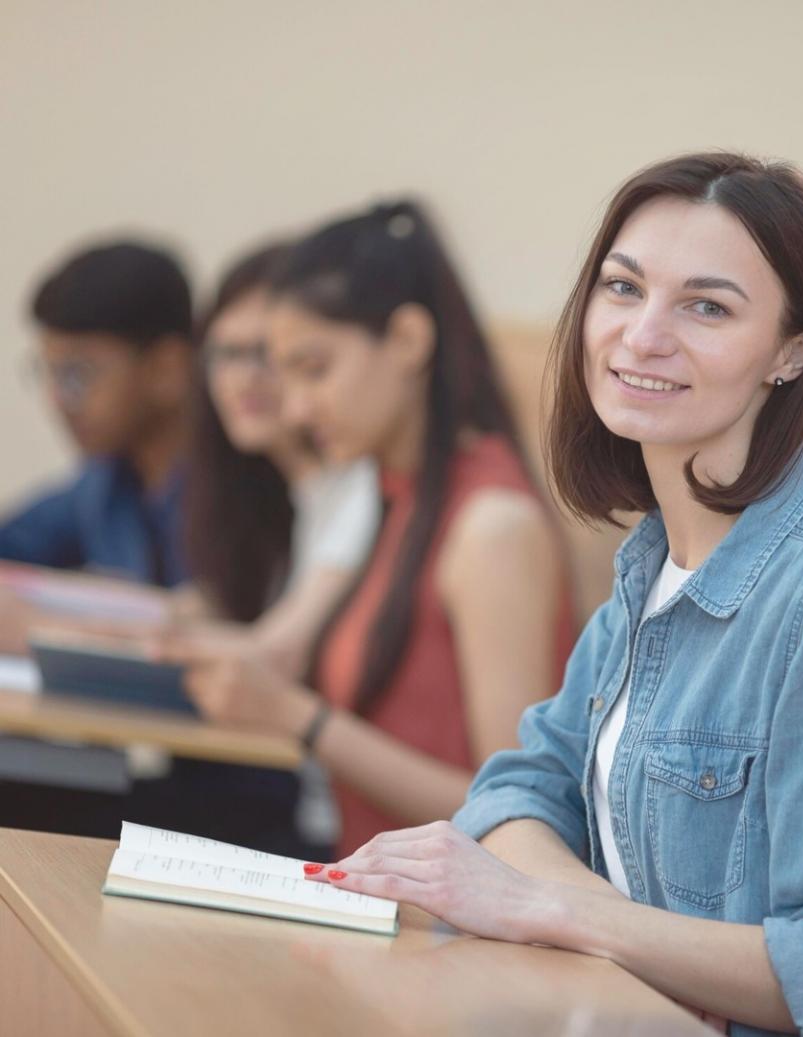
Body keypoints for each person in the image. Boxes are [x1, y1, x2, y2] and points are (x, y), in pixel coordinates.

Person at [305, 154, 803, 1037]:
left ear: (791, 352)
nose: (642, 335)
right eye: (623, 287)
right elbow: (515, 793)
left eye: (706, 306)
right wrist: (575, 910)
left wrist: (555, 909)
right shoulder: (655, 563)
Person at [161, 201, 574, 859]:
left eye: (314, 369)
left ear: (408, 340)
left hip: (428, 908)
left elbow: (512, 815)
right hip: (361, 881)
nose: (296, 409)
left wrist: (301, 718)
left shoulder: (490, 527)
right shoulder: (391, 497)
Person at [181, 241, 379, 678]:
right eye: (226, 354)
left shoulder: (362, 485)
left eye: (266, 354)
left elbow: (278, 654)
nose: (244, 378)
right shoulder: (280, 494)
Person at [1, 241, 194, 586]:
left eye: (77, 375)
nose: (58, 400)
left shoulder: (240, 491)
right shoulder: (105, 482)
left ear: (166, 369)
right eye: (49, 372)